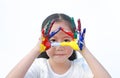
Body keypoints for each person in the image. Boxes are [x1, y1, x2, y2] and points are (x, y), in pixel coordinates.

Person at [6, 13, 111, 78]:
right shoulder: (40, 67)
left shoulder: (80, 67)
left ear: (74, 41)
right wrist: (36, 49)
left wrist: (84, 50)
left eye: (66, 40)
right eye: (53, 40)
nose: (59, 47)